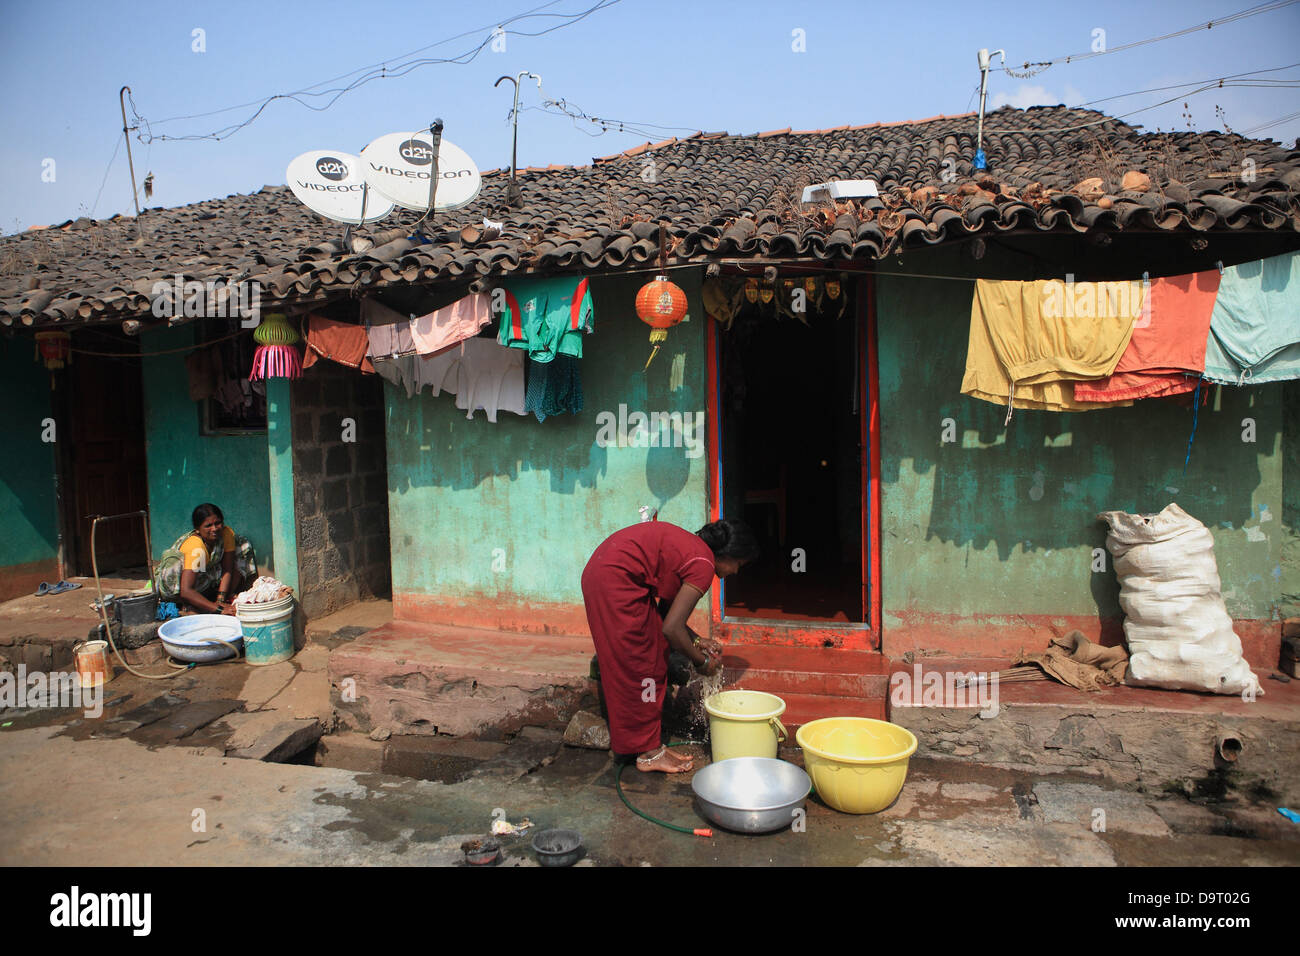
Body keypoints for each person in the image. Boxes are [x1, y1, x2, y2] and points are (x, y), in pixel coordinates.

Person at [581, 517, 759, 773]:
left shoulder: (695, 551)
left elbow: (667, 613)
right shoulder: (703, 565)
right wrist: (702, 662)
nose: (736, 572)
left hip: (606, 574)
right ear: (729, 555)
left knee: (650, 656)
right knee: (643, 664)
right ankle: (648, 753)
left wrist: (698, 640)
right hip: (614, 584)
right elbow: (671, 628)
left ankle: (648, 744)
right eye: (739, 564)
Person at [155, 504, 257, 615]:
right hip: (179, 588)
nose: (214, 529)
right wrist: (219, 610)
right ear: (198, 529)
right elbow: (186, 590)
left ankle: (217, 599)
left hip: (203, 577)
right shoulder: (196, 547)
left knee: (242, 544)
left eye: (218, 523)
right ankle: (187, 605)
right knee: (191, 593)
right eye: (208, 526)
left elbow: (227, 569)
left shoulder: (225, 533)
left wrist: (220, 600)